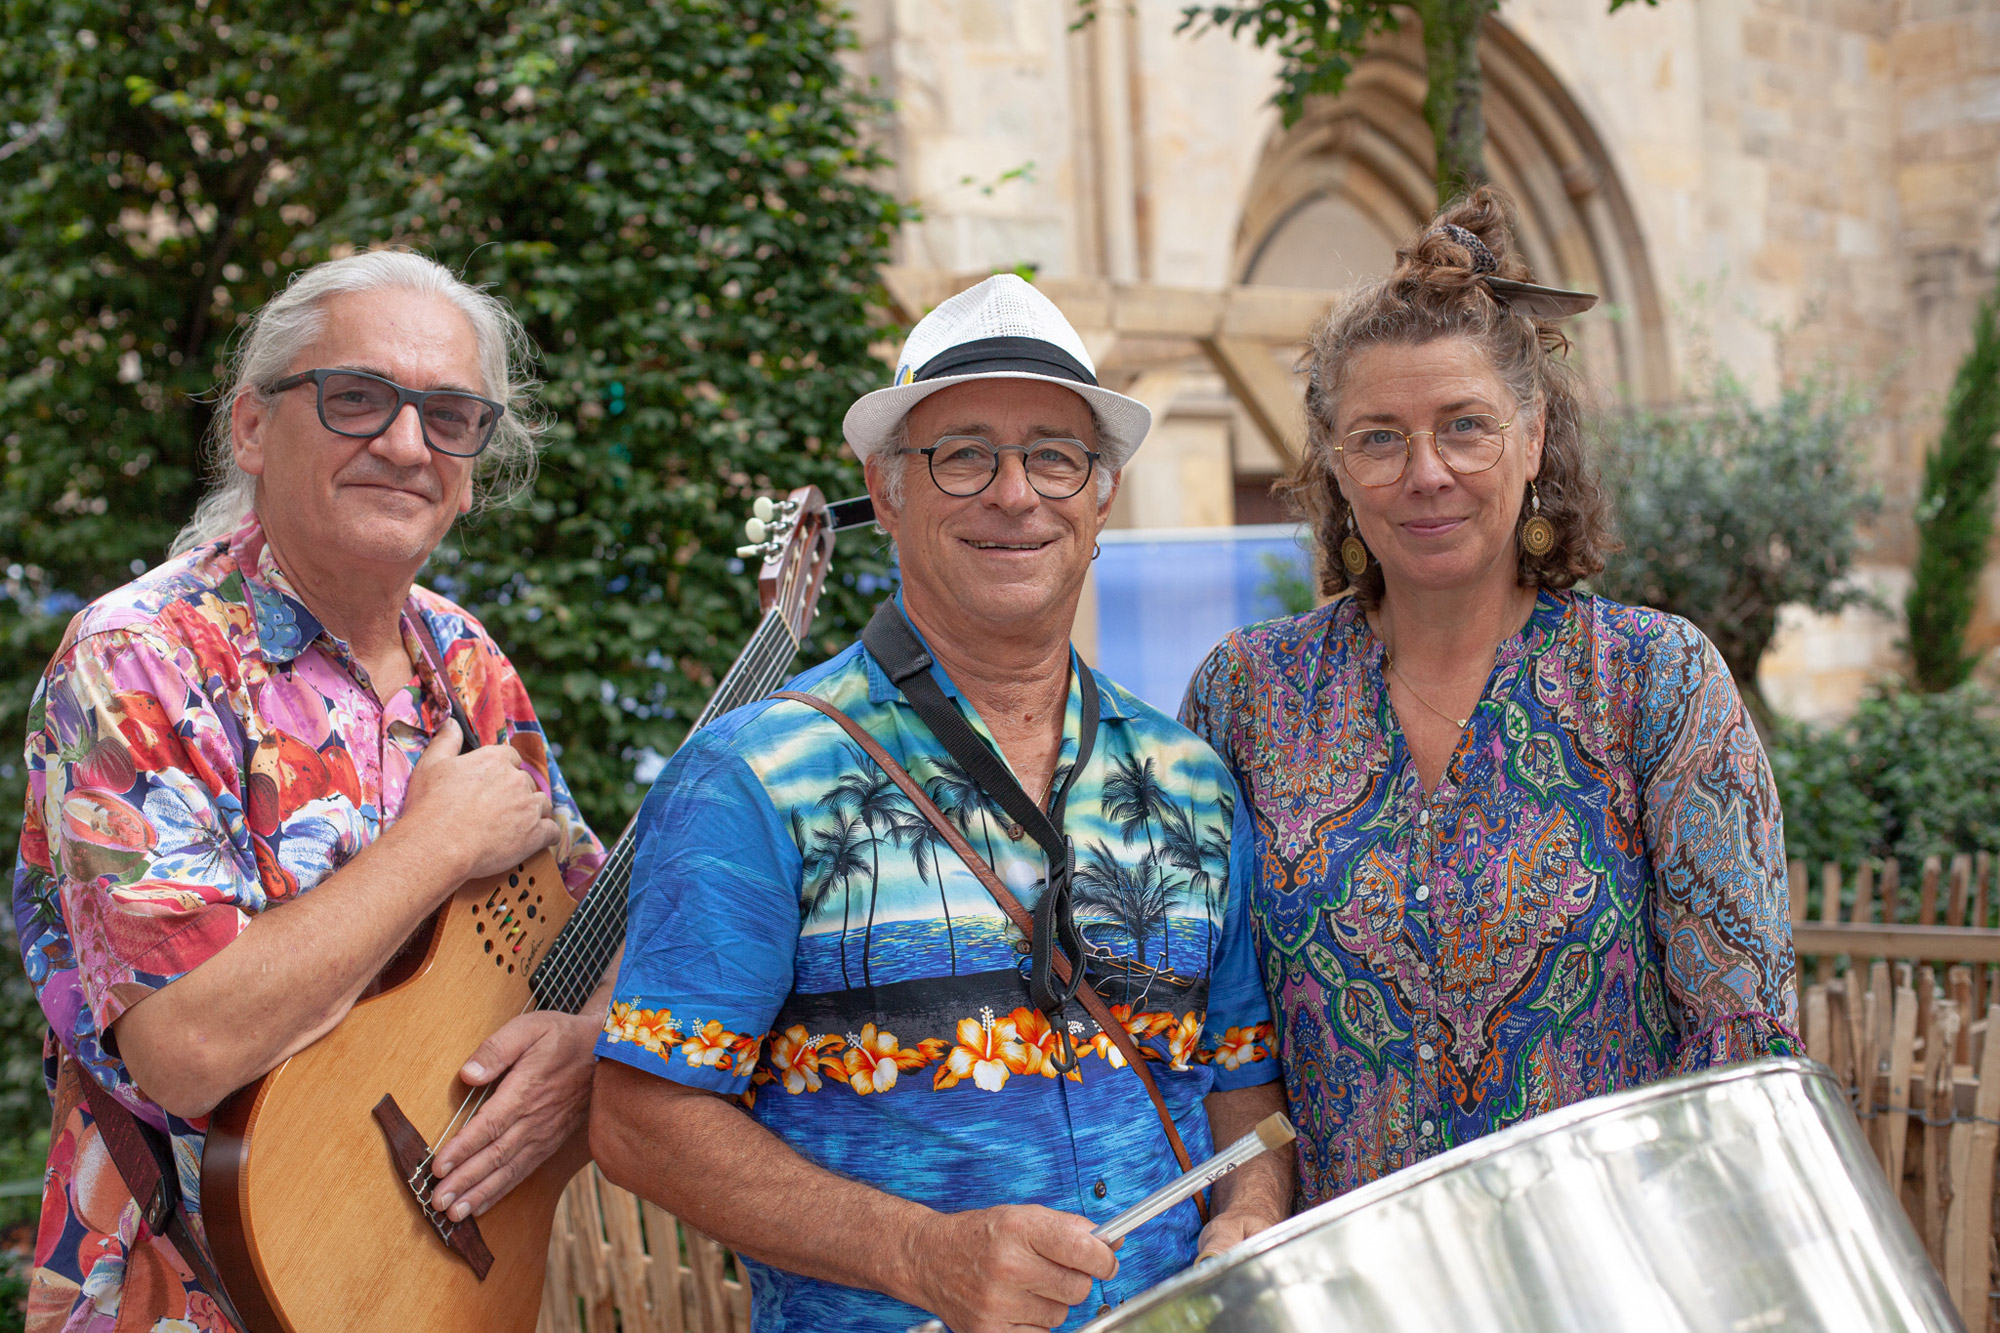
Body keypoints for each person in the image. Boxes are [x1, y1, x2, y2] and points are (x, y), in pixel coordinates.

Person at [591, 274, 1291, 1333]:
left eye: (1053, 456)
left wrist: (1250, 1210)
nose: (1014, 495)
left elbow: (1240, 1078)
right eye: (963, 455)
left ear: (1099, 495)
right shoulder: (752, 775)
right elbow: (642, 1118)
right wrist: (920, 1254)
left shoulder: (1191, 778)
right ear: (887, 488)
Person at [12, 251, 609, 1331]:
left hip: (432, 1290)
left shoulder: (466, 664)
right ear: (251, 427)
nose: (405, 443)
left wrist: (581, 1042)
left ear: (472, 466)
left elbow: (600, 924)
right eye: (356, 398)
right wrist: (432, 847)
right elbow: (187, 1049)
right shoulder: (144, 658)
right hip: (189, 1292)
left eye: (450, 415)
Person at [1179, 187, 1798, 1211]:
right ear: (1334, 461)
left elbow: (1740, 1049)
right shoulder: (1245, 696)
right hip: (1349, 1290)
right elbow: (1214, 1042)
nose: (1425, 472)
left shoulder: (1652, 680)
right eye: (1378, 437)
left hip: (1610, 1276)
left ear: (1532, 433)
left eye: (1464, 426)